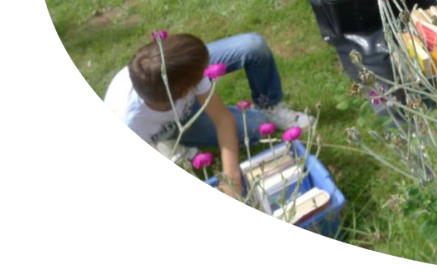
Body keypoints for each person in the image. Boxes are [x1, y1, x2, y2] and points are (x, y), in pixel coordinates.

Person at [103, 32, 312, 195]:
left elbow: (222, 120)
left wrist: (232, 177)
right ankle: (168, 143)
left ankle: (270, 106)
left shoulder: (179, 69)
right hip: (163, 125)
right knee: (256, 127)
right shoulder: (130, 123)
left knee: (253, 46)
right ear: (186, 90)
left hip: (176, 91)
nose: (206, 77)